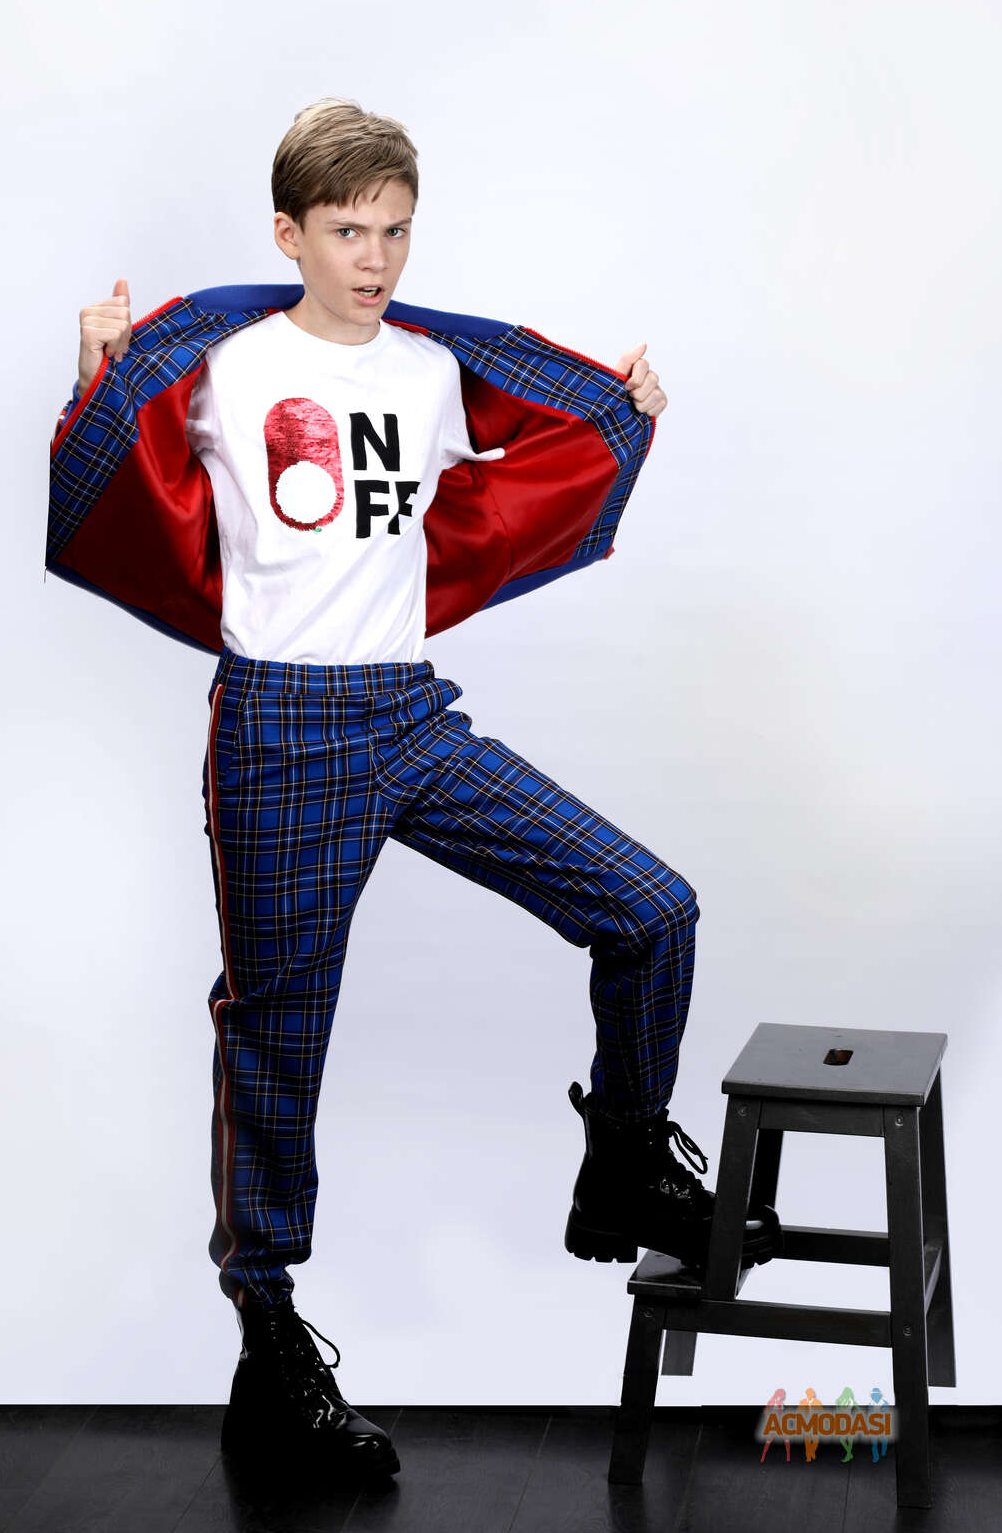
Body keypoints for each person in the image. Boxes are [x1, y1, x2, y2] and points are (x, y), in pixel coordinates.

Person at [55, 97, 781, 1485]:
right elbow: (121, 474)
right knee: (277, 1037)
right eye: (348, 232)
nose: (376, 259)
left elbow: (520, 470)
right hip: (281, 727)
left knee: (649, 909)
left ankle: (624, 1163)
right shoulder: (228, 367)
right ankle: (270, 1349)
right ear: (289, 234)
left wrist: (618, 415)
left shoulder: (432, 370)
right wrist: (92, 376)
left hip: (407, 713)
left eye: (394, 231)